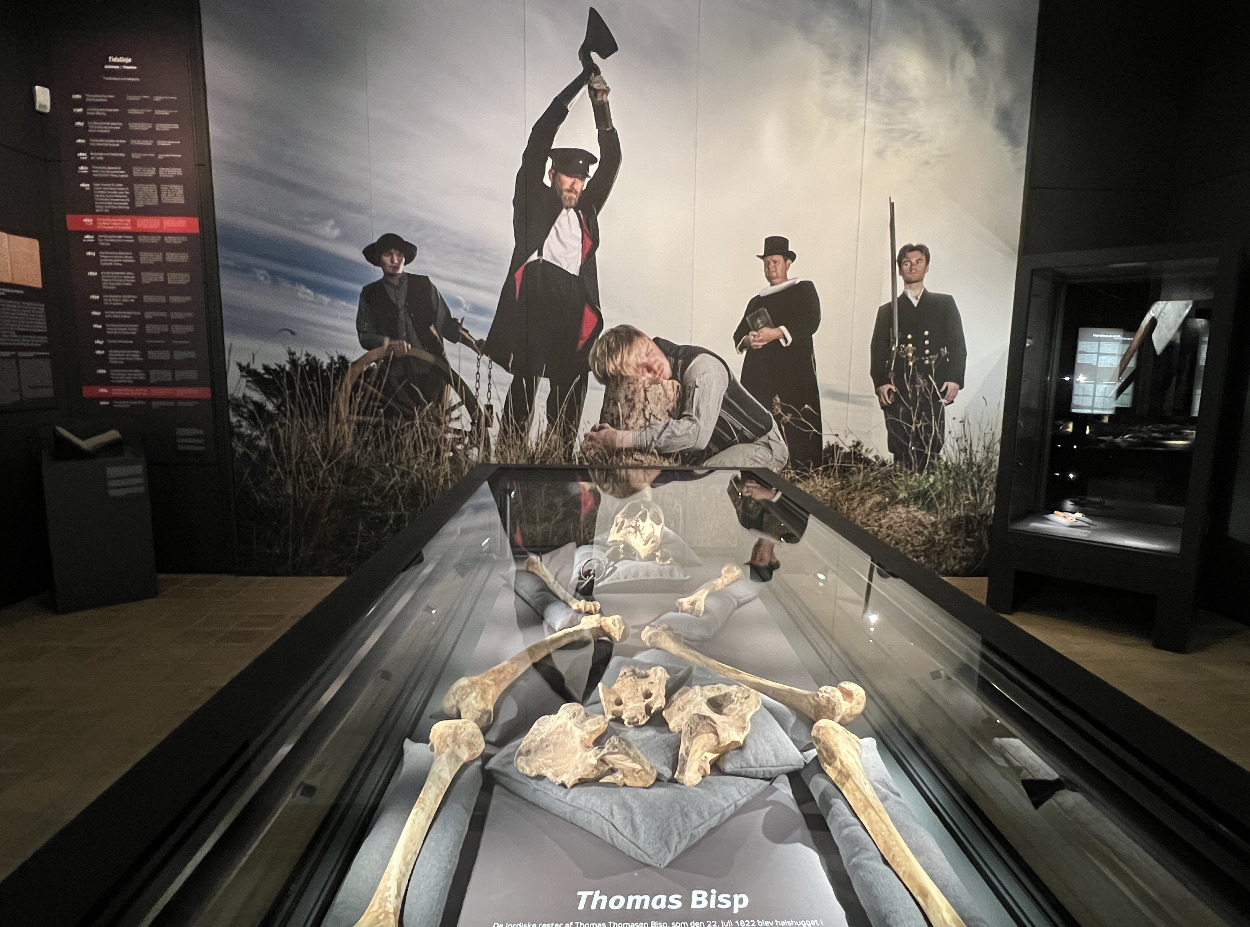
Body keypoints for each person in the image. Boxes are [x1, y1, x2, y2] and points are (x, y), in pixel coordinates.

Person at [484, 64, 621, 447]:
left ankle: (558, 458)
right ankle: (510, 454)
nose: (576, 185)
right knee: (526, 377)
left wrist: (601, 106)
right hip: (537, 292)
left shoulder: (587, 209)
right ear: (551, 176)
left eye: (580, 180)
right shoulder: (533, 199)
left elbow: (611, 161)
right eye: (568, 177)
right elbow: (538, 138)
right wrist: (581, 79)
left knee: (572, 382)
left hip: (575, 301)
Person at [581, 324, 788, 469]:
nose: (654, 366)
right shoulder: (652, 386)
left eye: (647, 353)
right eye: (641, 370)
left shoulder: (703, 367)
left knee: (702, 481)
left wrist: (619, 439)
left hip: (762, 445)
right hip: (716, 450)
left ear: (645, 338)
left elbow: (696, 435)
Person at [870, 243, 966, 471]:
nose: (912, 267)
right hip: (899, 385)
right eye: (906, 263)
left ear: (927, 266)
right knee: (900, 445)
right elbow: (878, 351)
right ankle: (902, 492)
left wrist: (955, 378)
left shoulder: (944, 304)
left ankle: (927, 491)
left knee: (931, 442)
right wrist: (882, 381)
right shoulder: (888, 310)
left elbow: (957, 345)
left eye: (918, 262)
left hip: (933, 383)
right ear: (900, 270)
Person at [355, 232, 480, 405]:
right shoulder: (370, 294)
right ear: (378, 259)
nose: (394, 260)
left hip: (433, 369)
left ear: (404, 258)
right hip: (395, 374)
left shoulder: (424, 285)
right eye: (387, 254)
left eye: (399, 255)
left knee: (434, 425)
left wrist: (471, 341)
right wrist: (389, 343)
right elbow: (365, 335)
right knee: (397, 424)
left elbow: (446, 323)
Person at [731, 236, 823, 468]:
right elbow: (738, 336)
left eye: (775, 261)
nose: (770, 266)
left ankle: (802, 480)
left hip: (795, 377)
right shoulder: (756, 301)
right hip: (759, 378)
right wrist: (748, 340)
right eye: (766, 262)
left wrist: (777, 333)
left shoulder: (803, 289)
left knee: (799, 430)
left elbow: (811, 321)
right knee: (758, 430)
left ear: (788, 263)